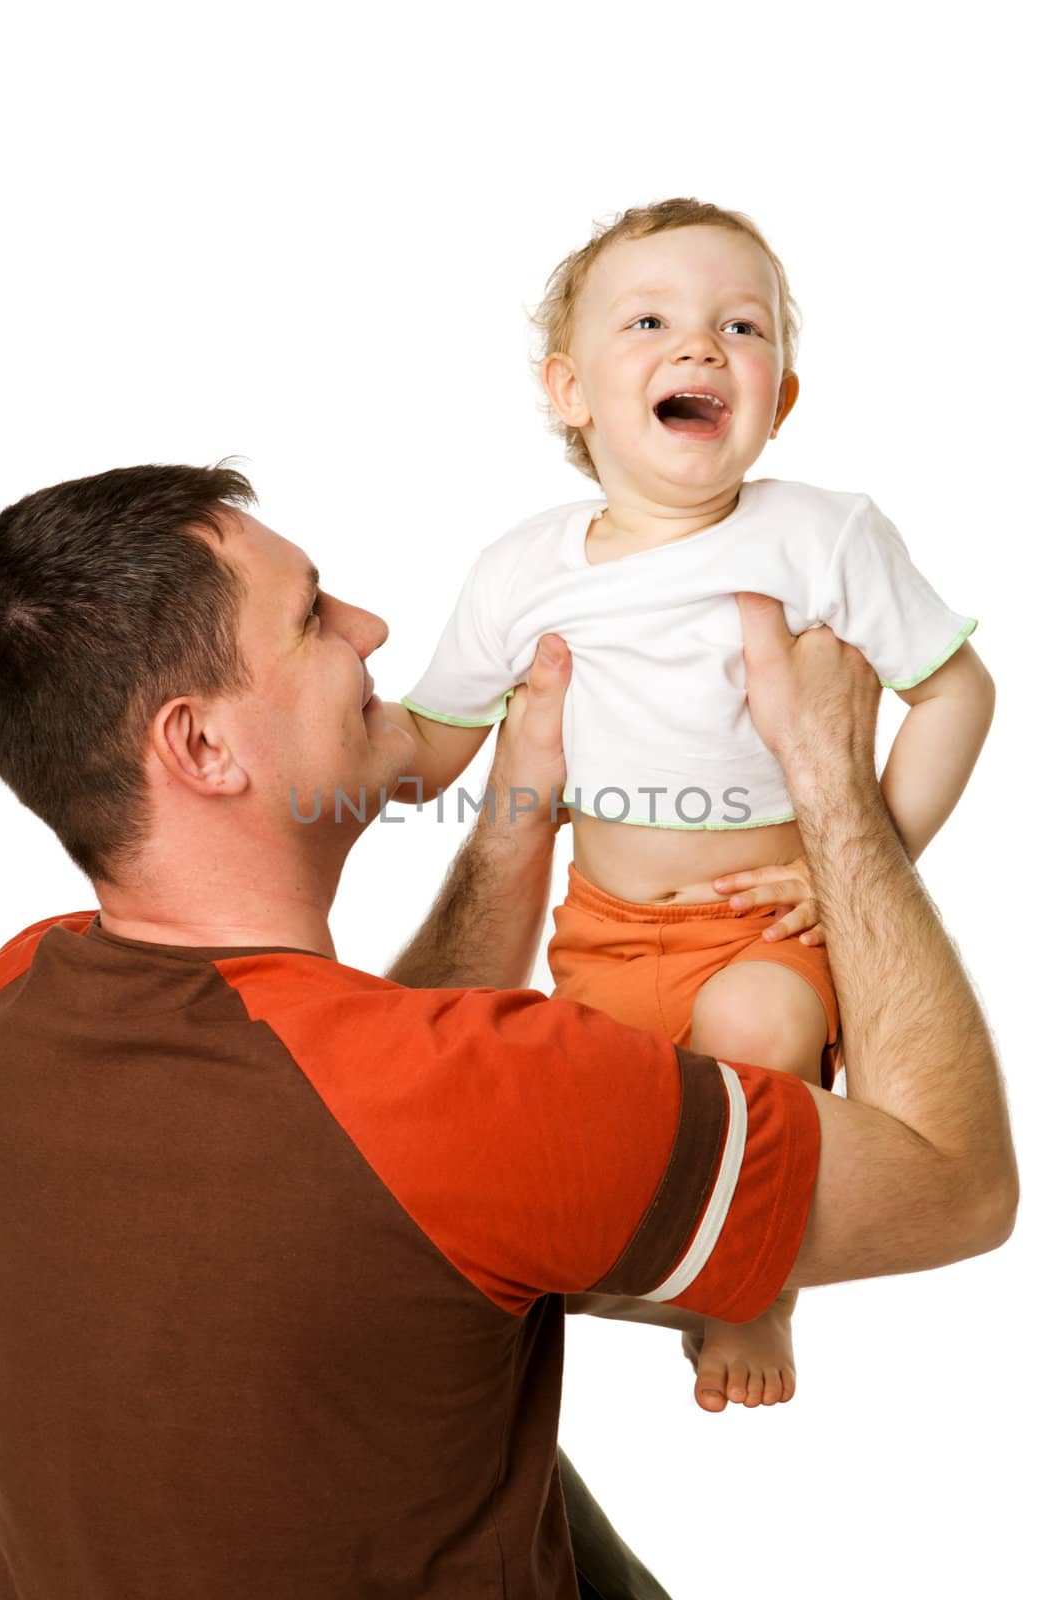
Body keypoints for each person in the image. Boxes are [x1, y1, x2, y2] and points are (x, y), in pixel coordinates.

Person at [0, 463, 1015, 1600]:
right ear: (202, 748)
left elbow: (358, 1113)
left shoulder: (16, 997)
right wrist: (827, 775)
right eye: (314, 617)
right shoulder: (480, 1100)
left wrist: (519, 803)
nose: (371, 629)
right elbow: (954, 1186)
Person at [391, 196, 996, 1410]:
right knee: (578, 1129)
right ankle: (606, 1284)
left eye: (741, 326)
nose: (701, 347)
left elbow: (956, 694)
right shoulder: (523, 570)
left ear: (778, 399)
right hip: (603, 933)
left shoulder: (819, 536)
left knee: (764, 1039)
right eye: (651, 321)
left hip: (758, 927)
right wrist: (333, 775)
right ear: (569, 391)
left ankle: (748, 1289)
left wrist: (854, 866)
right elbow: (431, 737)